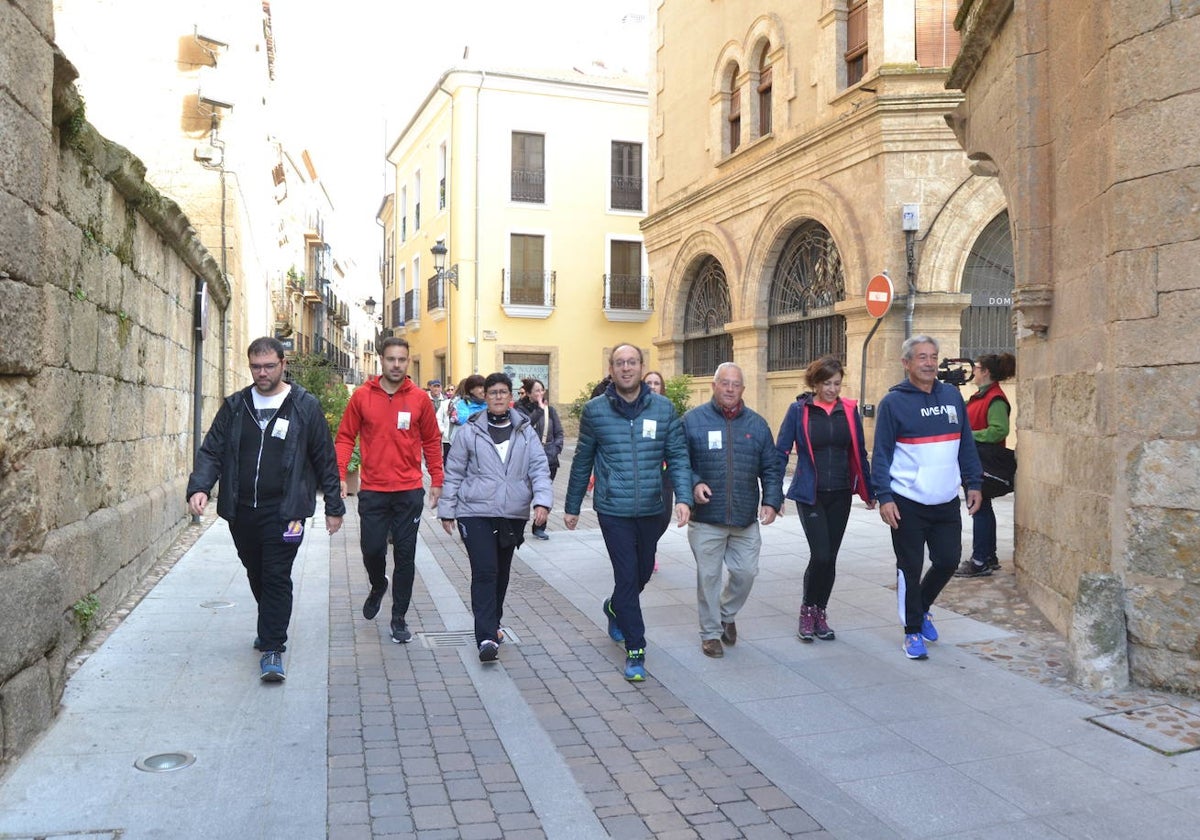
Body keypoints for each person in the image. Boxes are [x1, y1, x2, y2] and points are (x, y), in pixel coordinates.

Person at [186, 336, 345, 682]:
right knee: (255, 570)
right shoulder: (236, 406)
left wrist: (334, 505)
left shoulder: (305, 405)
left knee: (276, 575)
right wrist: (200, 486)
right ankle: (269, 622)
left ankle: (273, 646)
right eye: (256, 367)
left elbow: (324, 457)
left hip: (287, 511)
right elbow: (212, 450)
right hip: (242, 510)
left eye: (269, 366)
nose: (262, 373)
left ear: (283, 364)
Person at [563, 345, 692, 681]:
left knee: (643, 573)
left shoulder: (664, 409)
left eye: (631, 362)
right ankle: (636, 649)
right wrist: (572, 506)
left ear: (641, 366)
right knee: (626, 575)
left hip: (652, 506)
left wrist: (684, 497)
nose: (626, 368)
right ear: (611, 368)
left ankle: (614, 607)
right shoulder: (595, 411)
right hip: (613, 509)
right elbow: (582, 460)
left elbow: (678, 455)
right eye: (619, 363)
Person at [872, 335, 983, 661]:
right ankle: (912, 633)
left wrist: (973, 483)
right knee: (910, 567)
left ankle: (921, 609)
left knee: (948, 560)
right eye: (922, 357)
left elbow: (965, 444)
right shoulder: (893, 403)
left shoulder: (952, 396)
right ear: (907, 363)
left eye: (933, 356)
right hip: (907, 501)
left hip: (946, 499)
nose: (930, 363)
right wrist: (884, 497)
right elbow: (881, 454)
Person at [335, 337, 443, 644]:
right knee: (372, 550)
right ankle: (377, 583)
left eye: (402, 360)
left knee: (406, 557)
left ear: (407, 362)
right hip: (373, 491)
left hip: (409, 491)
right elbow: (345, 437)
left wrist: (437, 479)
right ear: (381, 360)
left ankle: (399, 618)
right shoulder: (362, 397)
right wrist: (340, 474)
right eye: (391, 359)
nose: (396, 364)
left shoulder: (420, 398)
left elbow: (433, 441)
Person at [439, 373, 553, 662]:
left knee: (501, 572)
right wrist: (447, 509)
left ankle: (494, 622)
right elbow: (454, 472)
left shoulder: (525, 431)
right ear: (485, 397)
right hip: (474, 510)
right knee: (486, 570)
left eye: (503, 392)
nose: (499, 397)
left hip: (512, 513)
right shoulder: (469, 431)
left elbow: (539, 469)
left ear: (510, 396)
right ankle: (486, 637)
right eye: (493, 393)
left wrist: (542, 502)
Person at [682, 363, 783, 658]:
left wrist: (772, 500)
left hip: (744, 516)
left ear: (743, 389)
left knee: (746, 572)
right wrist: (694, 484)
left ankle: (726, 613)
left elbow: (771, 467)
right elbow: (679, 462)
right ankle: (711, 633)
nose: (729, 389)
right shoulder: (692, 420)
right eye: (724, 383)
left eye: (735, 384)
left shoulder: (757, 425)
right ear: (714, 385)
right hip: (706, 518)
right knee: (708, 578)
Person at [775, 356, 875, 642]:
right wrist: (773, 494)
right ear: (815, 383)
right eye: (827, 384)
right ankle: (807, 610)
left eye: (837, 384)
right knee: (820, 554)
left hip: (841, 493)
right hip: (811, 493)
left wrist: (869, 491)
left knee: (830, 558)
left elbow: (859, 452)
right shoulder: (799, 411)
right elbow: (781, 450)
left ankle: (821, 612)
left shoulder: (848, 410)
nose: (832, 389)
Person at [955, 352, 1017, 578]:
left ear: (986, 372)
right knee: (983, 508)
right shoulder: (981, 396)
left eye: (977, 368)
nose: (974, 372)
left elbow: (999, 430)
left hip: (983, 459)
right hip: (975, 459)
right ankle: (988, 556)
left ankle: (980, 560)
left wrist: (970, 436)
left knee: (978, 508)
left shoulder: (995, 398)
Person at [514, 377, 564, 540]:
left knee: (544, 492)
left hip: (549, 458)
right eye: (536, 390)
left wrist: (555, 448)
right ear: (528, 393)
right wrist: (540, 410)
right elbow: (524, 425)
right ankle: (518, 526)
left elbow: (559, 432)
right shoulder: (519, 409)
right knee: (524, 495)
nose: (540, 393)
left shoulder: (551, 410)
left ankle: (539, 526)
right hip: (525, 458)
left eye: (542, 390)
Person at [642, 371, 675, 554]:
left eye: (656, 383)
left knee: (664, 517)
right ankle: (646, 549)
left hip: (664, 473)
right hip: (643, 472)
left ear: (662, 388)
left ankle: (649, 545)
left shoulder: (668, 410)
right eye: (649, 382)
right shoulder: (635, 411)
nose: (653, 386)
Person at [436, 383, 455, 462]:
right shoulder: (444, 404)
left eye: (452, 390)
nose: (450, 392)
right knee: (447, 459)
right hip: (446, 437)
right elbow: (438, 417)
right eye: (448, 390)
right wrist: (442, 430)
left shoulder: (460, 403)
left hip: (457, 436)